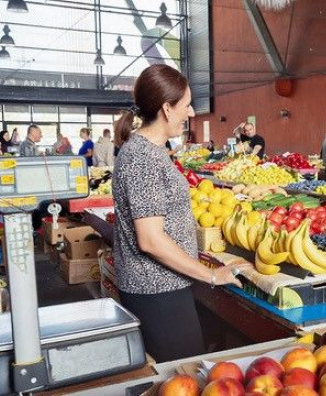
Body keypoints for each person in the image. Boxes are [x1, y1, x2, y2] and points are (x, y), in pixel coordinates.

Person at [113, 64, 251, 363]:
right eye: (187, 106)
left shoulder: (148, 150)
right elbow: (150, 239)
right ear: (166, 108)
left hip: (163, 284)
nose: (191, 114)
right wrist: (211, 276)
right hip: (157, 288)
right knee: (183, 375)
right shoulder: (143, 158)